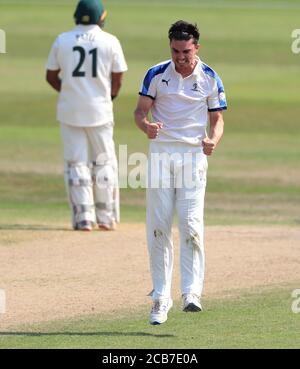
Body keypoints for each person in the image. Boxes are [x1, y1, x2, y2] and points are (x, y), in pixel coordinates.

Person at [134, 20, 227, 325]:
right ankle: (161, 298)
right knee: (159, 226)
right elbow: (139, 111)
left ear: (196, 47)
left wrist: (212, 140)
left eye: (185, 51)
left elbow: (217, 120)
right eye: (175, 51)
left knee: (191, 224)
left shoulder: (210, 77)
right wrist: (146, 125)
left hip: (193, 155)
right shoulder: (157, 74)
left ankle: (191, 292)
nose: (180, 57)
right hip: (161, 153)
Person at [46, 0, 127, 231]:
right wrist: (109, 96)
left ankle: (84, 219)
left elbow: (51, 76)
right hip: (100, 110)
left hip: (70, 109)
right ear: (101, 17)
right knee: (104, 161)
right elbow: (118, 77)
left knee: (76, 163)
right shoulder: (110, 41)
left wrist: (71, 92)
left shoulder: (62, 39)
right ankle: (106, 217)